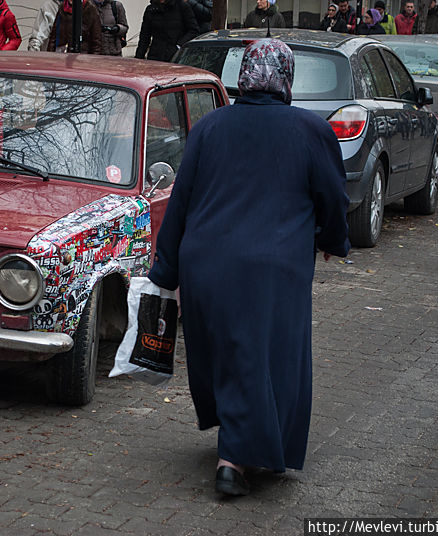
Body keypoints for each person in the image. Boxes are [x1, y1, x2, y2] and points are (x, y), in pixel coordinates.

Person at [147, 38, 350, 497]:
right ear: (286, 77)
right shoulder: (309, 130)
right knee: (267, 358)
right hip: (272, 270)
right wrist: (333, 241)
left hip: (206, 267)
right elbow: (334, 198)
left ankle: (248, 443)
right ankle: (233, 459)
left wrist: (166, 270)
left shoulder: (210, 127)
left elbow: (180, 202)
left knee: (229, 355)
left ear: (245, 75)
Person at [135, 0, 199, 62]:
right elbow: (144, 36)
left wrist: (178, 46)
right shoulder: (151, 9)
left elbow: (193, 30)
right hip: (155, 56)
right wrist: (138, 59)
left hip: (176, 57)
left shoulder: (182, 6)